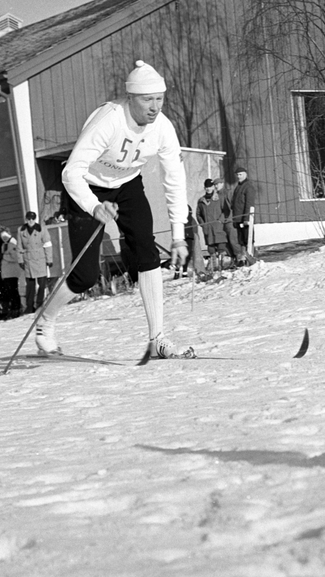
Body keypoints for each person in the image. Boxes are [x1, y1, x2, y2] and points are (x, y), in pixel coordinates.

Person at [35, 59, 191, 359]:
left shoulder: (163, 128)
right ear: (130, 98)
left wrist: (178, 235)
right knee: (86, 276)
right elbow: (71, 173)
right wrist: (93, 206)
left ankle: (157, 337)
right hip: (87, 186)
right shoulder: (109, 121)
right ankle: (45, 320)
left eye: (159, 99)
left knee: (146, 251)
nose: (154, 107)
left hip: (128, 184)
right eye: (147, 100)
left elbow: (175, 179)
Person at [18, 211, 53, 310]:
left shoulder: (41, 229)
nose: (31, 221)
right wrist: (20, 260)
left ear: (35, 219)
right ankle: (29, 306)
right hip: (28, 260)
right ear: (26, 219)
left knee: (42, 284)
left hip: (40, 259)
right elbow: (19, 247)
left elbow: (47, 244)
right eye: (29, 219)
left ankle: (40, 304)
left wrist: (49, 259)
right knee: (30, 285)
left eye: (32, 219)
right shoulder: (21, 230)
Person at [196, 177, 230, 278]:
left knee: (221, 247)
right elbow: (198, 214)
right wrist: (203, 224)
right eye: (206, 187)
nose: (208, 189)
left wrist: (221, 220)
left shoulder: (219, 198)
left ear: (213, 187)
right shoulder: (201, 201)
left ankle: (222, 268)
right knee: (211, 248)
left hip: (218, 227)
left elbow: (226, 210)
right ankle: (213, 268)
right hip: (208, 229)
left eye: (210, 187)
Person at [227, 168, 258, 262]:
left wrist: (246, 218)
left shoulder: (248, 186)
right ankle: (244, 257)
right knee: (241, 240)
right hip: (238, 219)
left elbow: (249, 204)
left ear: (245, 174)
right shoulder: (238, 187)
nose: (238, 177)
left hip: (245, 219)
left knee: (248, 238)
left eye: (240, 174)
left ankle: (251, 256)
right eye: (237, 175)